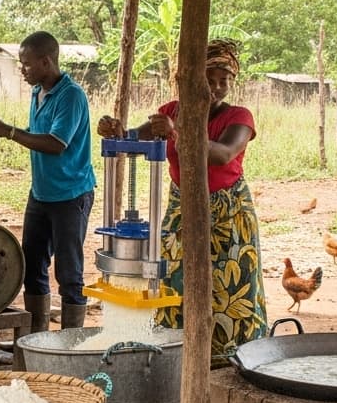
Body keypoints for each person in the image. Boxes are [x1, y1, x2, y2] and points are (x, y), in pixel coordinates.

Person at [97, 39, 268, 365]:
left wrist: (178, 134)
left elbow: (223, 154)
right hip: (180, 206)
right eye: (209, 79)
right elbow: (134, 138)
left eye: (224, 81)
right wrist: (116, 131)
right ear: (193, 79)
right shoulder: (172, 111)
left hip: (227, 213)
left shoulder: (239, 116)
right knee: (175, 276)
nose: (216, 88)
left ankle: (230, 357)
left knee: (228, 284)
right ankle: (181, 350)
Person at [0, 31, 96, 331]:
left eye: (27, 64)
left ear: (46, 62)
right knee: (32, 265)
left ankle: (71, 343)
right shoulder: (37, 92)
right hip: (41, 194)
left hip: (70, 195)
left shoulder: (71, 96)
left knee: (69, 272)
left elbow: (56, 143)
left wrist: (10, 132)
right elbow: (37, 133)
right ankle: (37, 340)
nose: (22, 70)